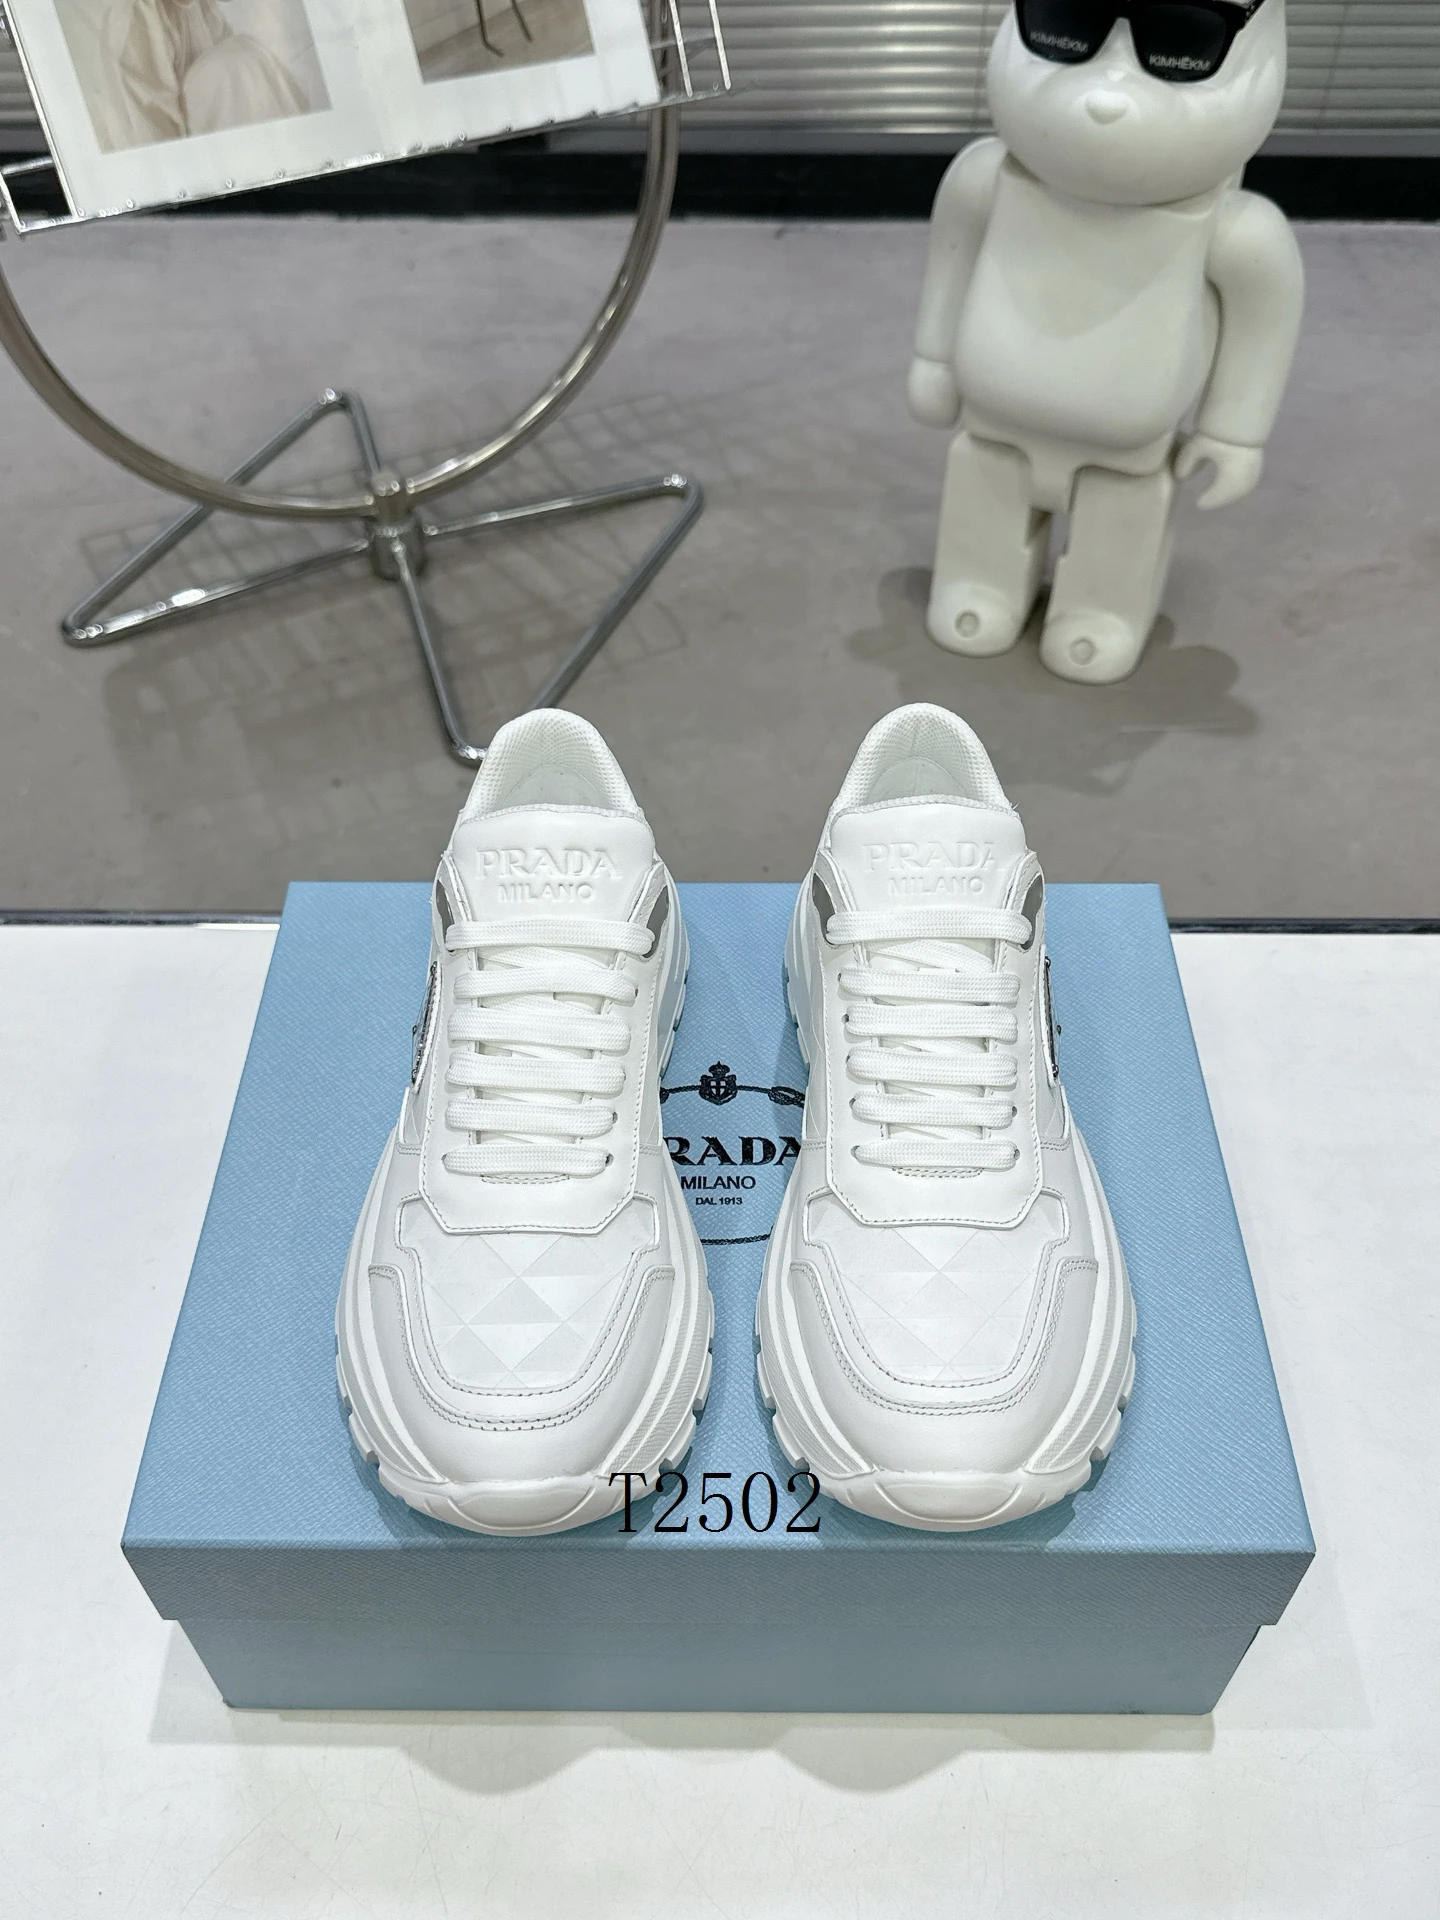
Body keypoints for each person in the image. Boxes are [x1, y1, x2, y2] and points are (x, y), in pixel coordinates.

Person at [101, 0, 307, 147]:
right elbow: (149, 133)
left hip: (209, 140)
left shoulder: (201, 6)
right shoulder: (135, 16)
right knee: (237, 63)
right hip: (175, 155)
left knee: (245, 56)